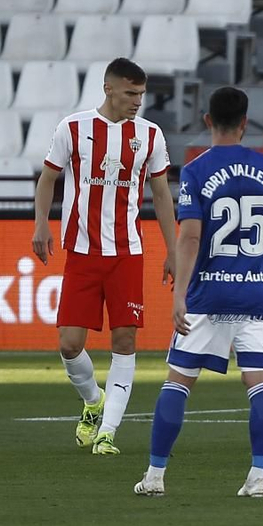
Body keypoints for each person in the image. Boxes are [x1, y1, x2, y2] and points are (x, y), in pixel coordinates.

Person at [133, 87, 263, 498]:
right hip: (256, 297)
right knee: (260, 384)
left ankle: (155, 477)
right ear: (245, 122)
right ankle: (258, 478)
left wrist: (178, 295)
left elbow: (189, 238)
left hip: (208, 297)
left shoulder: (196, 170)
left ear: (207, 120)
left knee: (178, 383)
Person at [32, 57, 177, 456]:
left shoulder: (149, 135)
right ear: (108, 89)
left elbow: (162, 195)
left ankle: (108, 431)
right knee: (68, 343)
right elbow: (49, 178)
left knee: (125, 339)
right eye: (131, 93)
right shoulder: (73, 127)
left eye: (142, 94)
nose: (137, 101)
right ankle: (93, 402)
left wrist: (173, 248)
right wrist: (41, 223)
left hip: (127, 253)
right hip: (81, 252)